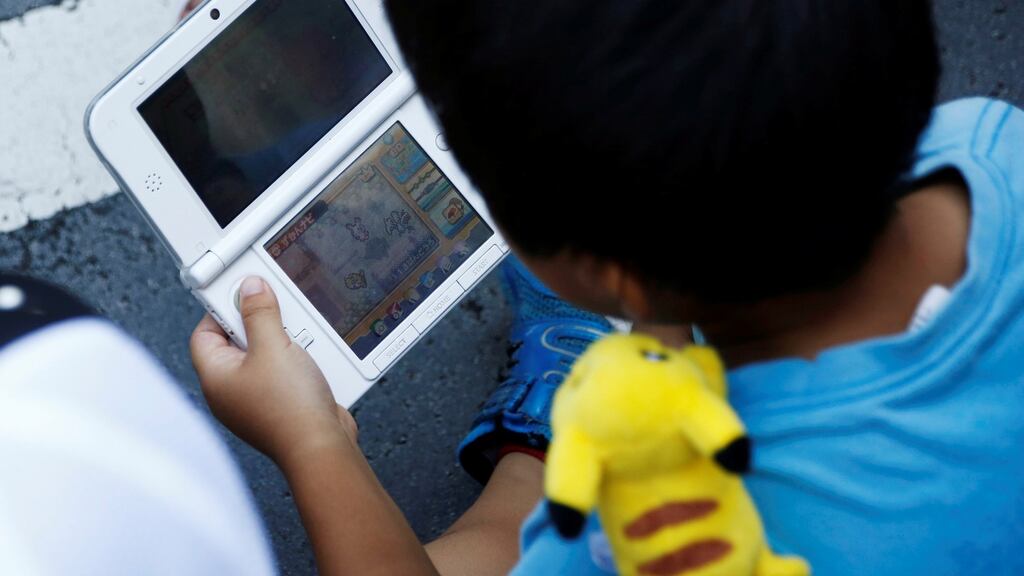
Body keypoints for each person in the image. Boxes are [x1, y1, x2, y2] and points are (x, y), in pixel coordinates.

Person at [188, 1, 1024, 575]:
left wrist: (313, 444)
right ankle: (566, 425)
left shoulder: (668, 530)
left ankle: (549, 446)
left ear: (612, 277)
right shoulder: (995, 142)